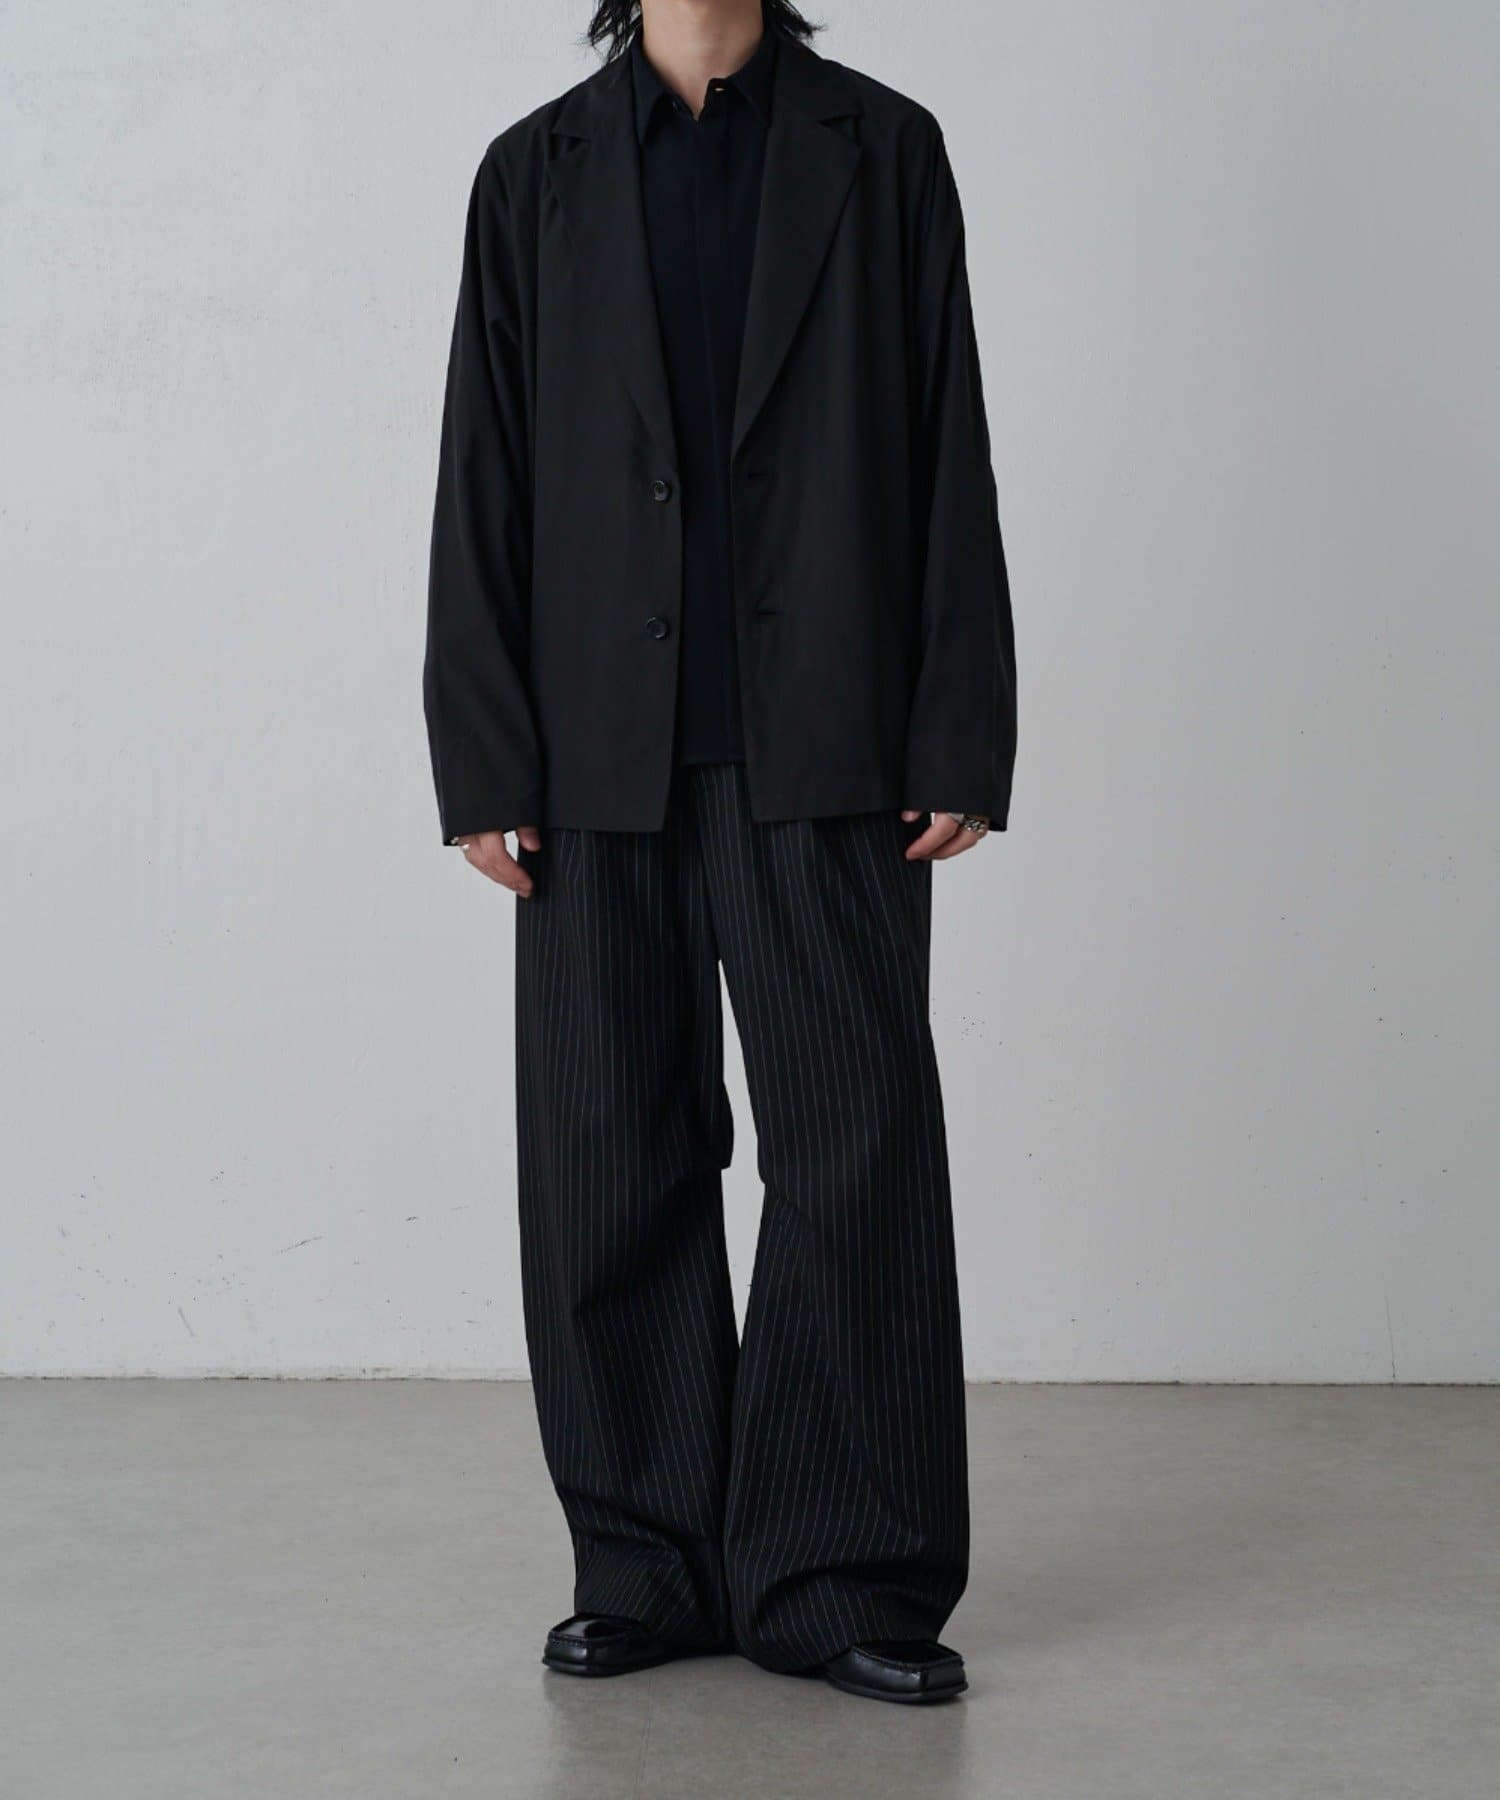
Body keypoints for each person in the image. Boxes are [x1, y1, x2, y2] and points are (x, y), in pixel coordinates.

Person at [424, 0, 1015, 1706]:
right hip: (591, 747)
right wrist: (482, 756)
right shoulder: (533, 174)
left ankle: (839, 1573)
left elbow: (947, 443)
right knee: (610, 1148)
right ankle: (649, 1559)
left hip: (826, 733)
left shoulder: (882, 150)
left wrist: (958, 729)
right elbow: (484, 464)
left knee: (854, 1149)